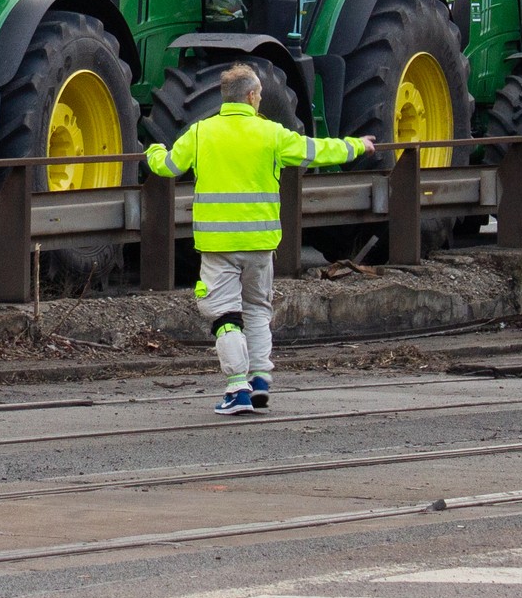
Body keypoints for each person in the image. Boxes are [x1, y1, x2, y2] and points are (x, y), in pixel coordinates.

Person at [144, 63, 370, 414]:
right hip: (261, 244)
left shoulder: (202, 132)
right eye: (260, 94)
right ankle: (261, 378)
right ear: (251, 96)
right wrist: (356, 145)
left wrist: (153, 152)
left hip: (219, 247)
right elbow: (317, 151)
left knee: (224, 316)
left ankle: (238, 389)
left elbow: (168, 167)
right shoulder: (271, 134)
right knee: (257, 311)